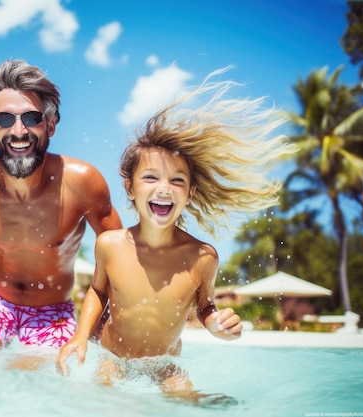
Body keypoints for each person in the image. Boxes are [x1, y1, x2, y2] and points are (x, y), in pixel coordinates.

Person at [55, 71, 293, 399]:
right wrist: (81, 336)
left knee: (194, 402)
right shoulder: (109, 245)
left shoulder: (202, 257)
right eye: (150, 177)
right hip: (113, 356)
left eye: (177, 181)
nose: (164, 189)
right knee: (103, 399)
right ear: (130, 187)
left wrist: (218, 326)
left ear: (191, 192)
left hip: (164, 363)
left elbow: (205, 306)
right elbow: (98, 292)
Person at [0, 59, 121, 349]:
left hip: (53, 314)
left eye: (31, 118)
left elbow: (118, 254)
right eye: (4, 119)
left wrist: (101, 322)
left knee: (35, 384)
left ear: (50, 125)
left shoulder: (82, 183)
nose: (17, 131)